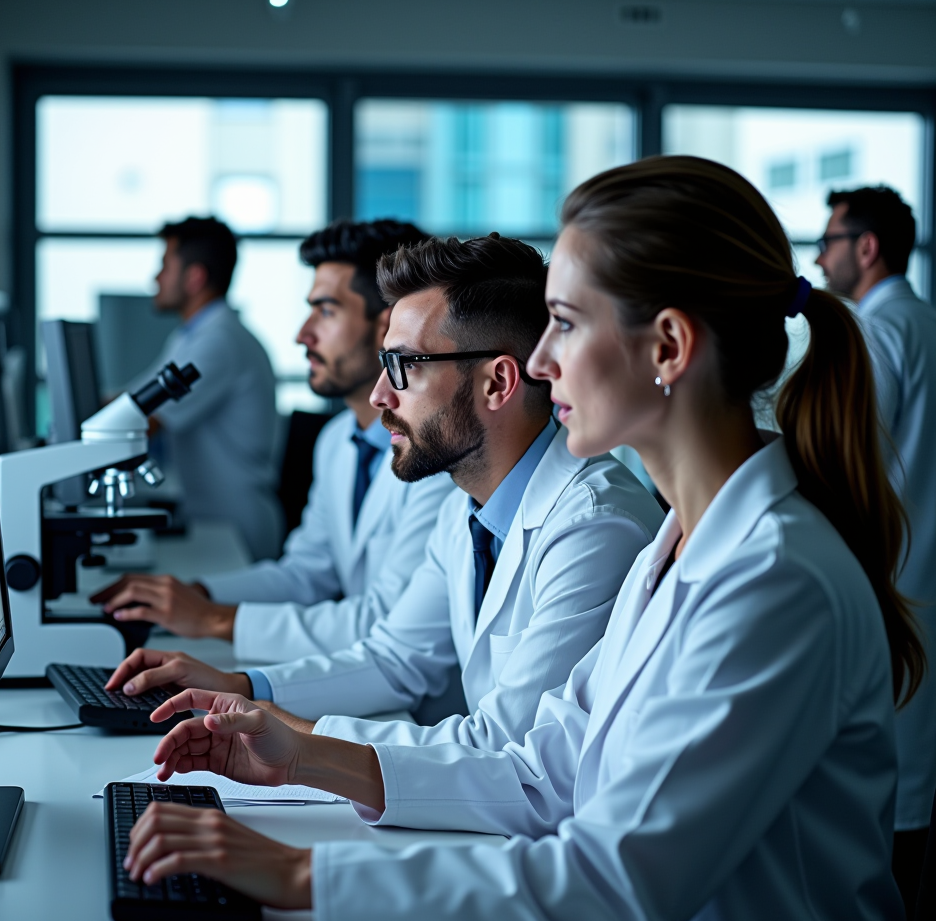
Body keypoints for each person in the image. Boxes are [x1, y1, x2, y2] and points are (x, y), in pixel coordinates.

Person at [124, 158, 920, 921]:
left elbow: (613, 887)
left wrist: (301, 875)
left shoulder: (772, 581)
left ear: (668, 348)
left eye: (565, 325)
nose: (540, 360)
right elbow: (545, 770)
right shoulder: (678, 546)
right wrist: (301, 753)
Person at [109, 234, 664, 749]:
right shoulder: (468, 507)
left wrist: (297, 741)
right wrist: (242, 688)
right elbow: (397, 658)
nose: (379, 396)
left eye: (403, 367)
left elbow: (507, 747)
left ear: (497, 383)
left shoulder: (593, 527)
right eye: (383, 365)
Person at [93, 220, 452, 665]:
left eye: (326, 311)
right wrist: (194, 595)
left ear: (388, 328)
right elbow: (306, 575)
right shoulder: (337, 440)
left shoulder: (435, 456)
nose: (302, 334)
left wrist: (212, 619)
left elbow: (387, 623)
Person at [817, 185, 936, 914]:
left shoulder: (875, 333)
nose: (818, 259)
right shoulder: (925, 322)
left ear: (866, 247)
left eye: (829, 241)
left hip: (884, 590)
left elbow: (839, 467)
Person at [130, 216, 283, 560]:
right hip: (210, 518)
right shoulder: (189, 337)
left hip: (236, 525)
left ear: (195, 277)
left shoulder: (217, 344)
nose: (155, 278)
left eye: (165, 266)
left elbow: (142, 421)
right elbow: (132, 403)